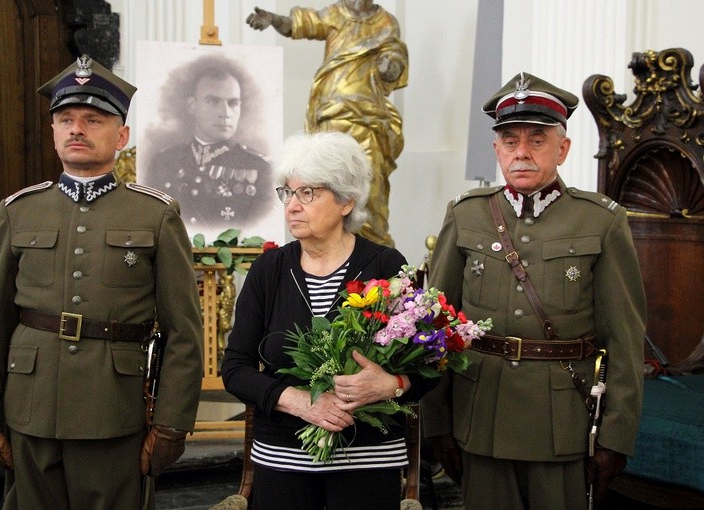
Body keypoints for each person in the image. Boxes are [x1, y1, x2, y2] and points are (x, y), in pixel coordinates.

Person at [0, 55, 204, 509]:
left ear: (122, 136)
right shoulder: (19, 211)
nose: (77, 129)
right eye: (66, 119)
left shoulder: (155, 214)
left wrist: (172, 423)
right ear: (53, 132)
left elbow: (184, 333)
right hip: (29, 407)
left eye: (93, 119)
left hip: (114, 410)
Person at [420, 72, 647, 510]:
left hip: (561, 424)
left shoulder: (600, 222)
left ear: (562, 149)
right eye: (509, 140)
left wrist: (616, 437)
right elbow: (435, 328)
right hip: (480, 415)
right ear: (496, 149)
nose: (521, 152)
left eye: (537, 139)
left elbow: (625, 339)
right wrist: (437, 423)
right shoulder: (466, 215)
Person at [220, 131, 435, 510]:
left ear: (346, 201)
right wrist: (301, 402)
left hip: (369, 460)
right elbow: (235, 369)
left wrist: (391, 384)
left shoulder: (385, 266)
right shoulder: (268, 270)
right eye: (288, 192)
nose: (292, 206)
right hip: (282, 461)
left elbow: (429, 367)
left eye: (308, 193)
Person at [246, 1, 408, 248]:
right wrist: (274, 19)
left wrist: (390, 66)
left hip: (369, 120)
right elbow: (302, 24)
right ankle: (325, 245)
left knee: (371, 182)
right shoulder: (336, 13)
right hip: (331, 113)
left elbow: (396, 59)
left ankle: (372, 251)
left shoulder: (386, 22)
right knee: (321, 185)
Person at [145, 53, 273, 232]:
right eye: (213, 101)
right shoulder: (163, 162)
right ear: (191, 105)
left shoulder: (261, 168)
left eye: (233, 103)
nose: (225, 113)